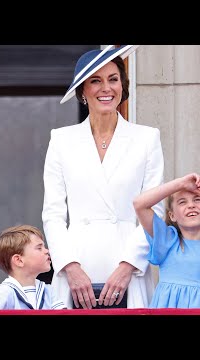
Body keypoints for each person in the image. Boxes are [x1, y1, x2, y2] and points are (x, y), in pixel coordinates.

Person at [42, 45, 165, 309]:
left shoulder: (147, 138)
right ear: (83, 91)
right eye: (95, 81)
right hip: (77, 270)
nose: (106, 88)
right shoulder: (61, 140)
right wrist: (70, 267)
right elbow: (52, 214)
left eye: (113, 79)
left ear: (123, 85)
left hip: (128, 269)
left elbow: (155, 210)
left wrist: (128, 266)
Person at [133, 173, 200, 308]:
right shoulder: (167, 241)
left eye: (197, 199)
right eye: (182, 202)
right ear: (172, 215)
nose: (191, 205)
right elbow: (139, 204)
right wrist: (180, 183)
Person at [0, 224, 66, 310]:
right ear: (19, 260)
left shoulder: (48, 291)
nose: (47, 251)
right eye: (39, 248)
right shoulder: (5, 291)